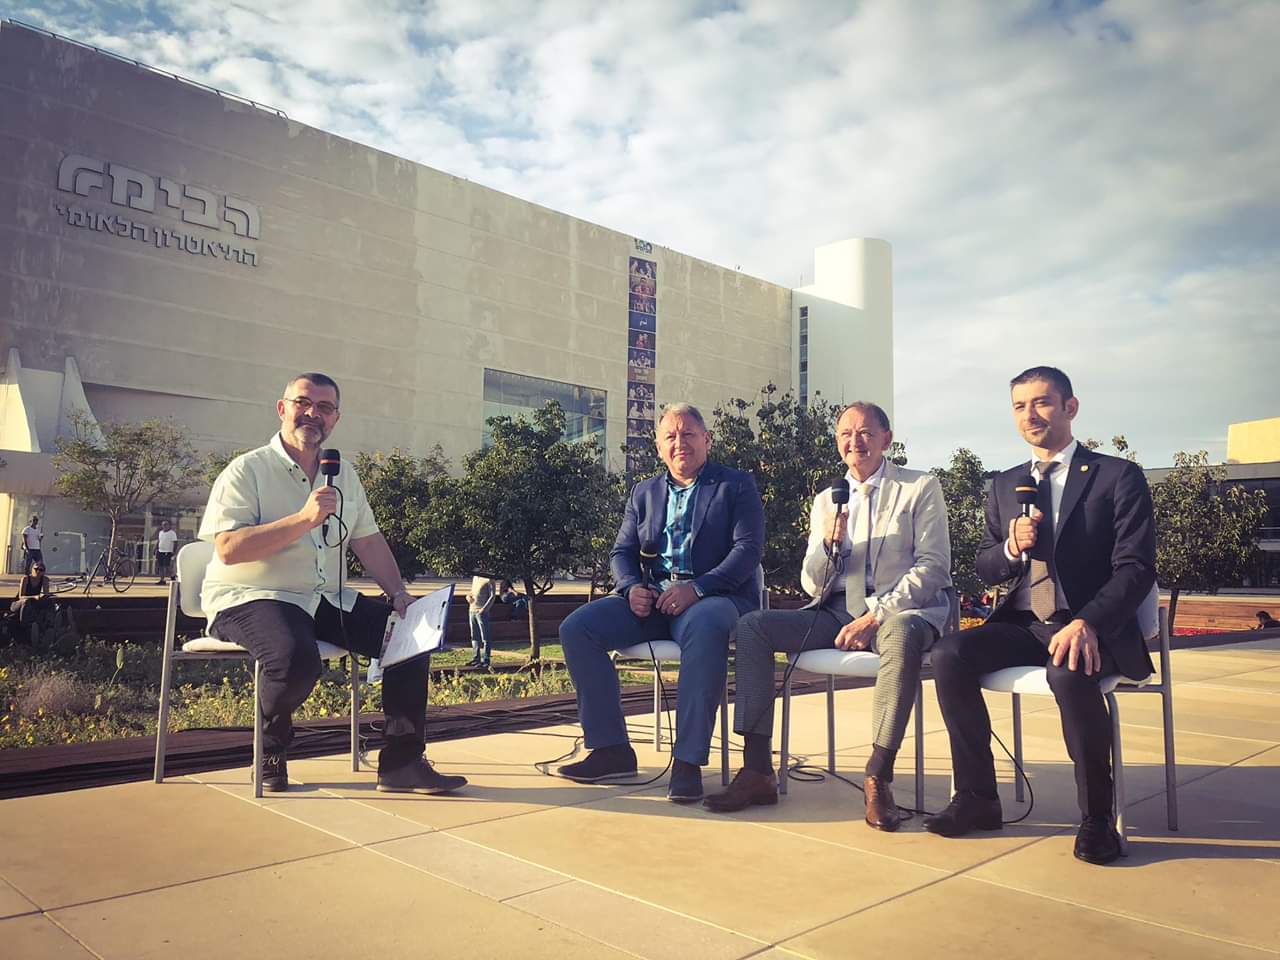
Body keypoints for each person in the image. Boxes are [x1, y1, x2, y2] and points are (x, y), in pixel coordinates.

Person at [924, 366, 1156, 866]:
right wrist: (1010, 547)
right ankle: (978, 797)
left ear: (1070, 407)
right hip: (1026, 623)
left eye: (1042, 402)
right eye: (1019, 406)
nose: (1030, 414)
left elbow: (1136, 567)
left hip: (1091, 625)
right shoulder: (1006, 483)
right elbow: (986, 566)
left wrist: (1089, 622)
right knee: (948, 655)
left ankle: (1097, 818)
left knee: (1068, 671)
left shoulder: (1118, 476)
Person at [199, 372, 465, 795]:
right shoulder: (247, 470)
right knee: (296, 660)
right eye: (303, 403)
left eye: (324, 408)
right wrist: (304, 519)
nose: (313, 414)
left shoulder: (343, 475)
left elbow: (369, 541)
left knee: (411, 635)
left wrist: (399, 594)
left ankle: (402, 765)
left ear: (336, 419)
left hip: (322, 596)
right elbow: (229, 549)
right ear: (282, 408)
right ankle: (270, 751)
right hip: (252, 595)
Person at [704, 402, 953, 829]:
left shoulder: (919, 487)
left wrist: (875, 616)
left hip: (900, 611)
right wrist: (827, 546)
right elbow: (810, 583)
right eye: (845, 434)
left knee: (900, 636)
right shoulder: (827, 500)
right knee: (752, 627)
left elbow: (934, 566)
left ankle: (878, 776)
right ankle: (758, 769)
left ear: (887, 439)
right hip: (836, 610)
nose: (855, 442)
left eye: (865, 433)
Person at [558, 402, 764, 802]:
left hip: (715, 599)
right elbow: (622, 551)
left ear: (707, 439)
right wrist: (630, 587)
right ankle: (611, 750)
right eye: (670, 436)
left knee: (705, 624)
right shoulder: (645, 492)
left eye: (688, 434)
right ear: (658, 447)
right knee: (578, 628)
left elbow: (747, 550)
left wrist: (697, 588)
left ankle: (687, 762)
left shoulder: (735, 485)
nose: (679, 442)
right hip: (654, 601)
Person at [9, 561, 55, 643]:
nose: (38, 571)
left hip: (33, 602)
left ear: (44, 571)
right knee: (26, 601)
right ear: (32, 569)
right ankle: (23, 625)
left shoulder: (44, 579)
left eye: (41, 570)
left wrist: (45, 594)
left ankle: (49, 623)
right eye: (36, 569)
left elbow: (46, 594)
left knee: (50, 601)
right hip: (18, 603)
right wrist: (34, 597)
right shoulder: (26, 579)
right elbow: (21, 596)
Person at [466, 575, 495, 668]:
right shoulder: (475, 578)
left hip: (481, 612)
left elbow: (492, 596)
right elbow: (472, 592)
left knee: (485, 637)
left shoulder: (489, 579)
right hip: (472, 610)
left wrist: (484, 609)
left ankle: (486, 659)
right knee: (474, 636)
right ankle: (476, 658)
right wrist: (468, 597)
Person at [155, 520, 178, 584]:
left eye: (166, 524)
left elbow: (175, 542)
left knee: (167, 566)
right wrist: (156, 548)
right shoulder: (160, 533)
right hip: (160, 551)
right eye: (163, 525)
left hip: (168, 552)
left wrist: (174, 551)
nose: (165, 526)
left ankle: (172, 576)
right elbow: (159, 541)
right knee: (161, 566)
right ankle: (162, 580)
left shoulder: (172, 533)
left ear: (169, 525)